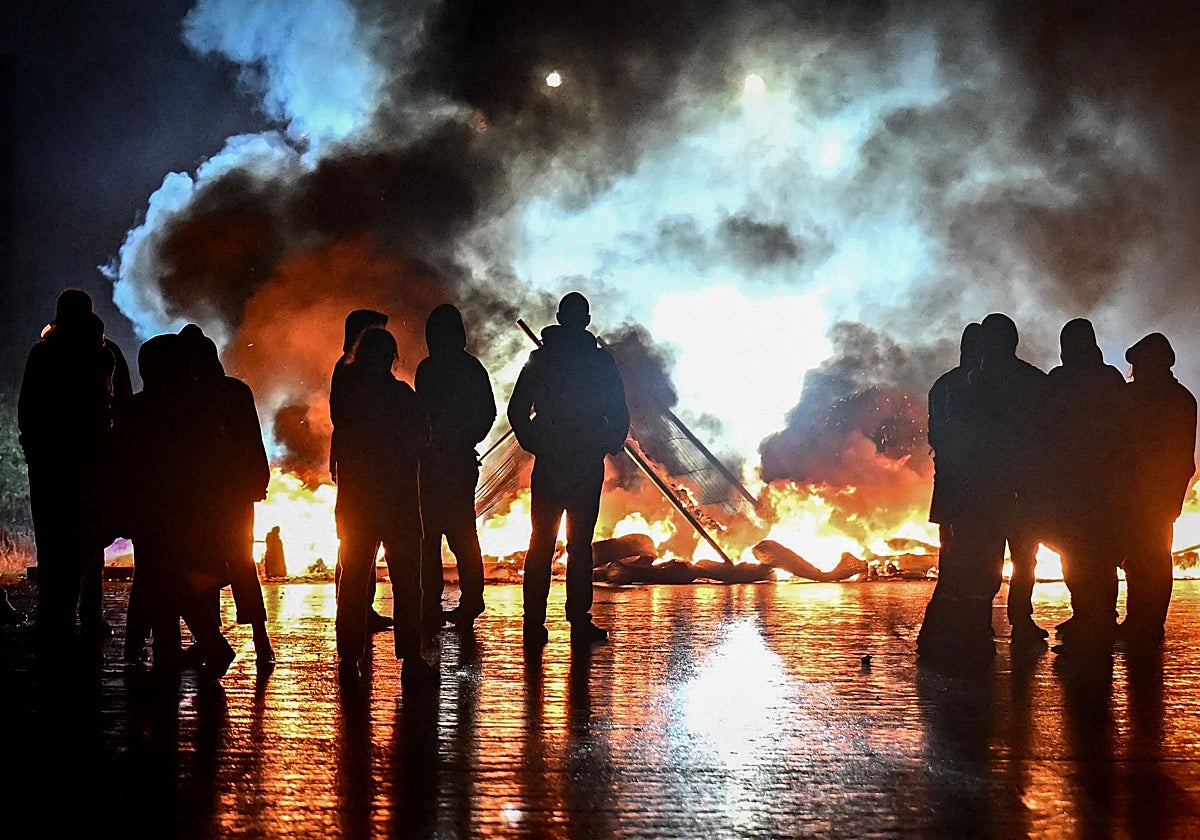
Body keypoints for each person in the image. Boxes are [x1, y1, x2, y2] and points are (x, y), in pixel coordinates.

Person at [507, 292, 629, 648]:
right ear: (586, 320)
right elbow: (618, 412)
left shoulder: (542, 360)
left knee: (542, 544)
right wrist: (607, 443)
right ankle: (578, 620)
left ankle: (534, 623)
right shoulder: (600, 363)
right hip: (584, 462)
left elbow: (517, 411)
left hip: (553, 462)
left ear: (559, 318)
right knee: (579, 546)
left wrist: (536, 442)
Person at [115, 334, 234, 676]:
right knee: (170, 576)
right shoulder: (200, 410)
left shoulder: (138, 409)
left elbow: (123, 461)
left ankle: (183, 645)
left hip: (152, 509)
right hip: (190, 508)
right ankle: (176, 647)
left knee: (161, 576)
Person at [332, 327, 433, 683]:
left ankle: (348, 653)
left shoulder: (348, 401)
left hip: (357, 502)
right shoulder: (402, 397)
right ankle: (410, 656)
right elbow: (423, 440)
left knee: (354, 576)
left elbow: (341, 444)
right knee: (407, 581)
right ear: (391, 358)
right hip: (398, 502)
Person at [19, 297, 117, 645]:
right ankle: (90, 615)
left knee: (53, 540)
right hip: (93, 461)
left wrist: (34, 450)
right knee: (91, 538)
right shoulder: (106, 354)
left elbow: (28, 409)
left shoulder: (45, 354)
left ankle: (54, 616)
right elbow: (120, 409)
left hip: (51, 463)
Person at [180, 325, 274, 667]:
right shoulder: (236, 391)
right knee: (240, 564)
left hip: (202, 497)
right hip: (235, 496)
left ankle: (210, 639)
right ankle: (260, 644)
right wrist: (258, 481)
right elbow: (254, 441)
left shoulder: (187, 398)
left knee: (202, 565)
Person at [1044, 319, 1127, 656]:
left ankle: (1096, 621)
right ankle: (1091, 616)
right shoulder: (1109, 378)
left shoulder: (1061, 380)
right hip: (1096, 486)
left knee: (1080, 554)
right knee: (1091, 555)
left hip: (1080, 487)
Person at [416, 304, 495, 630]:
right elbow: (485, 413)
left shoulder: (445, 369)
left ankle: (462, 601)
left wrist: (456, 440)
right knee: (446, 536)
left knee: (447, 535)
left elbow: (484, 413)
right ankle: (448, 601)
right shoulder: (463, 368)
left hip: (446, 462)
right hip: (444, 462)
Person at [1120, 333, 1196, 648]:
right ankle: (1149, 623)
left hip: (1136, 494)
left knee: (1138, 558)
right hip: (1164, 494)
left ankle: (1139, 622)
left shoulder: (1134, 397)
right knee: (1154, 557)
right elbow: (1184, 460)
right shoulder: (1183, 398)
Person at [916, 323, 983, 664]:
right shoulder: (976, 387)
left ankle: (937, 635)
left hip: (950, 489)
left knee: (952, 563)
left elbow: (935, 438)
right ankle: (967, 636)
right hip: (976, 491)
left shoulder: (943, 385)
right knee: (975, 567)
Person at [330, 309, 393, 634]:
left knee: (355, 544)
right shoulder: (351, 372)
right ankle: (354, 612)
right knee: (356, 544)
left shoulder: (348, 371)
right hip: (364, 471)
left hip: (354, 467)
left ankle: (357, 610)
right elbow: (342, 420)